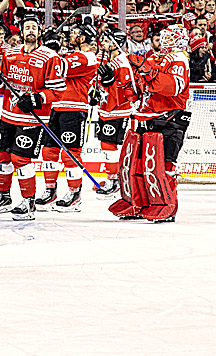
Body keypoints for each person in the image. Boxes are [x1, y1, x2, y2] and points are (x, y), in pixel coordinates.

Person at [0, 15, 65, 221]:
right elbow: (2, 87)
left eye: (33, 28)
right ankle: (3, 197)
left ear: (39, 32)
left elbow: (58, 91)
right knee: (0, 154)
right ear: (21, 31)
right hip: (8, 114)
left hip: (32, 119)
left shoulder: (50, 57)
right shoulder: (10, 54)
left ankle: (28, 202)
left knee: (20, 158)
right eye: (26, 27)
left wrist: (37, 99)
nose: (30, 31)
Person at [110, 24, 191, 223]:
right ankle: (137, 202)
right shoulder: (155, 58)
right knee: (134, 165)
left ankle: (165, 205)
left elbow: (174, 87)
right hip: (145, 117)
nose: (164, 41)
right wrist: (117, 79)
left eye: (170, 38)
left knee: (162, 165)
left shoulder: (179, 58)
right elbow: (138, 90)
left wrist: (147, 70)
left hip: (169, 118)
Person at [37, 22, 99, 212]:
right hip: (56, 106)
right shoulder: (70, 54)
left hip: (74, 108)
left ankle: (74, 194)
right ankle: (50, 191)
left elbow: (59, 67)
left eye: (75, 33)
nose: (70, 36)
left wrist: (49, 48)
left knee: (70, 153)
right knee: (48, 151)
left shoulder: (87, 57)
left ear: (83, 38)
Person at [93, 26, 138, 198]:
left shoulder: (122, 62)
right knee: (107, 145)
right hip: (106, 110)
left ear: (115, 43)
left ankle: (115, 180)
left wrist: (112, 84)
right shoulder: (109, 61)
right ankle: (112, 178)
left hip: (118, 112)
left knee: (110, 146)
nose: (102, 42)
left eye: (106, 40)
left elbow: (129, 92)